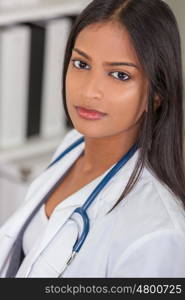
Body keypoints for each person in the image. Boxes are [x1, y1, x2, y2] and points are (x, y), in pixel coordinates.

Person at [0, 0, 185, 278]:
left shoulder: (156, 234)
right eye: (81, 64)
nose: (90, 91)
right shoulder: (72, 145)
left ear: (156, 94)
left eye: (120, 75)